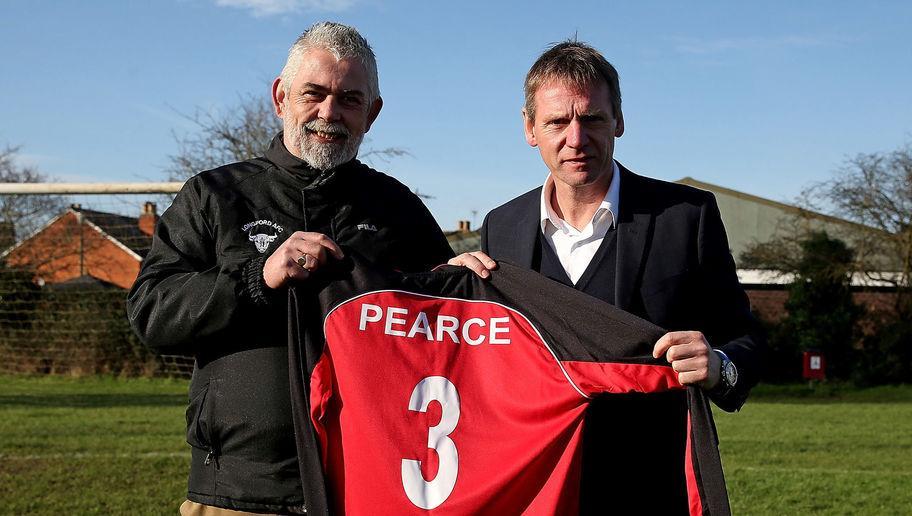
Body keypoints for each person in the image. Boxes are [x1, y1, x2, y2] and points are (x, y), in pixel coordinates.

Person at [127, 22, 453, 515]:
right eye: (314, 93)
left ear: (373, 113)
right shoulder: (215, 196)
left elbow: (448, 327)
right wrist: (257, 277)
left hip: (372, 484)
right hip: (240, 492)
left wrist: (464, 280)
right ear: (281, 97)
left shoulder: (399, 210)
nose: (329, 112)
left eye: (349, 99)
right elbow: (152, 312)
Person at [452, 41, 766, 513]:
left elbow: (747, 337)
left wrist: (719, 364)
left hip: (651, 486)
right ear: (529, 128)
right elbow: (483, 356)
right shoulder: (502, 226)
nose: (576, 139)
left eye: (592, 119)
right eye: (557, 121)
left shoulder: (685, 217)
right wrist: (449, 295)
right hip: (537, 486)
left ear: (619, 121)